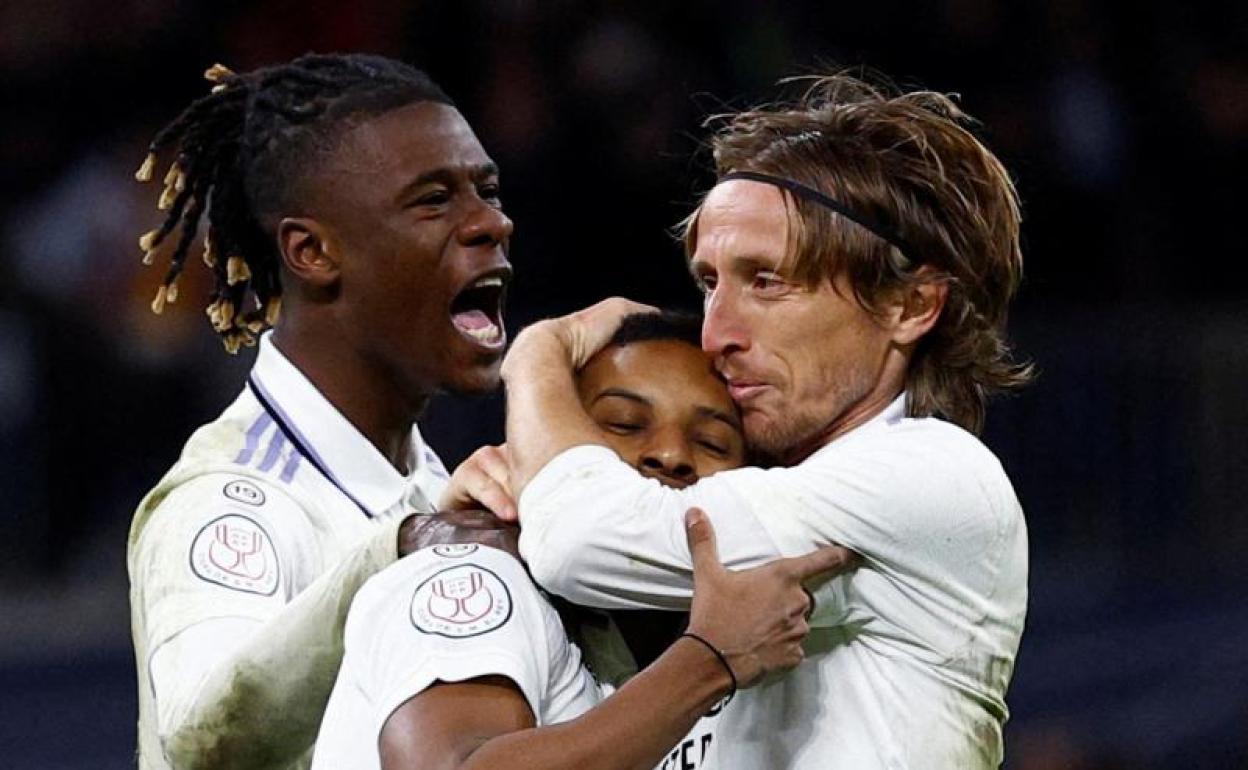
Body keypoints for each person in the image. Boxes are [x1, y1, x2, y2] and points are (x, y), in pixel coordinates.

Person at [482, 73, 1032, 768]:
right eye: (711, 283)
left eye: (768, 281)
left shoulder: (931, 473)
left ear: (911, 306)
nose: (717, 335)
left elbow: (579, 539)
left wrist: (536, 355)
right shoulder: (777, 492)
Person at [126, 53, 516, 770]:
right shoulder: (232, 500)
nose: (491, 222)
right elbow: (200, 737)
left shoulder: (431, 486)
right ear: (312, 251)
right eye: (434, 199)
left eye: (486, 190)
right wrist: (395, 550)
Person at [313, 310, 855, 770]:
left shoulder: (657, 646)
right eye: (623, 424)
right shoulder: (476, 574)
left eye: (712, 441)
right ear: (548, 445)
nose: (669, 454)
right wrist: (709, 661)